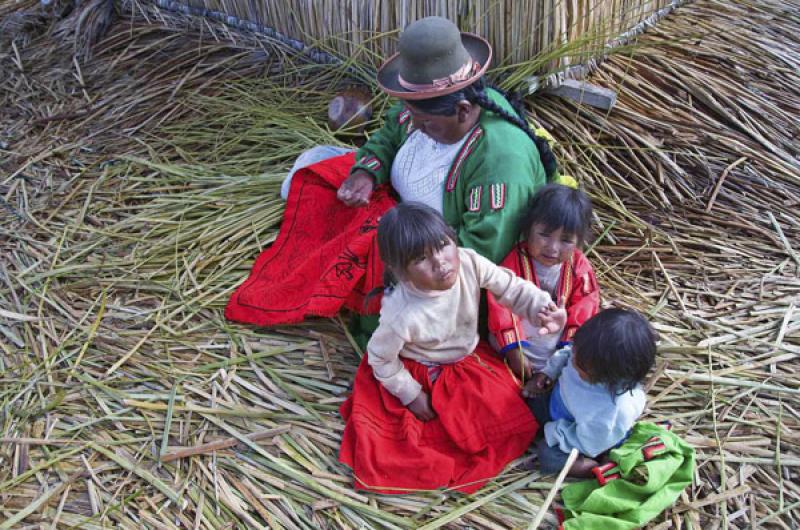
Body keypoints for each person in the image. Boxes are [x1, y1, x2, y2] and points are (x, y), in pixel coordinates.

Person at [338, 202, 567, 493]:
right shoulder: (401, 313)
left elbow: (510, 287)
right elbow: (380, 358)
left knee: (510, 418)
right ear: (401, 270)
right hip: (426, 369)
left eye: (443, 245)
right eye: (421, 258)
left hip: (469, 360)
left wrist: (544, 308)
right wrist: (411, 394)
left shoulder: (468, 262)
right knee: (434, 443)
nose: (440, 262)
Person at [523, 308, 657, 477]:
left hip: (587, 436)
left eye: (579, 365)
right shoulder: (587, 354)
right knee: (524, 406)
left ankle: (594, 468)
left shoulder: (610, 411)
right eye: (576, 350)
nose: (573, 359)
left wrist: (556, 433)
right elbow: (567, 353)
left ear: (608, 377)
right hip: (559, 405)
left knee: (548, 456)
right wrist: (548, 373)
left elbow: (589, 443)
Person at [488, 183, 600, 380]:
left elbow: (584, 308)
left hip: (557, 348)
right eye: (544, 235)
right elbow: (500, 307)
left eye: (566, 240)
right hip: (516, 346)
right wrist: (514, 352)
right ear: (528, 229)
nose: (552, 248)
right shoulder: (514, 261)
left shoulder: (579, 267)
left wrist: (560, 360)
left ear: (579, 241)